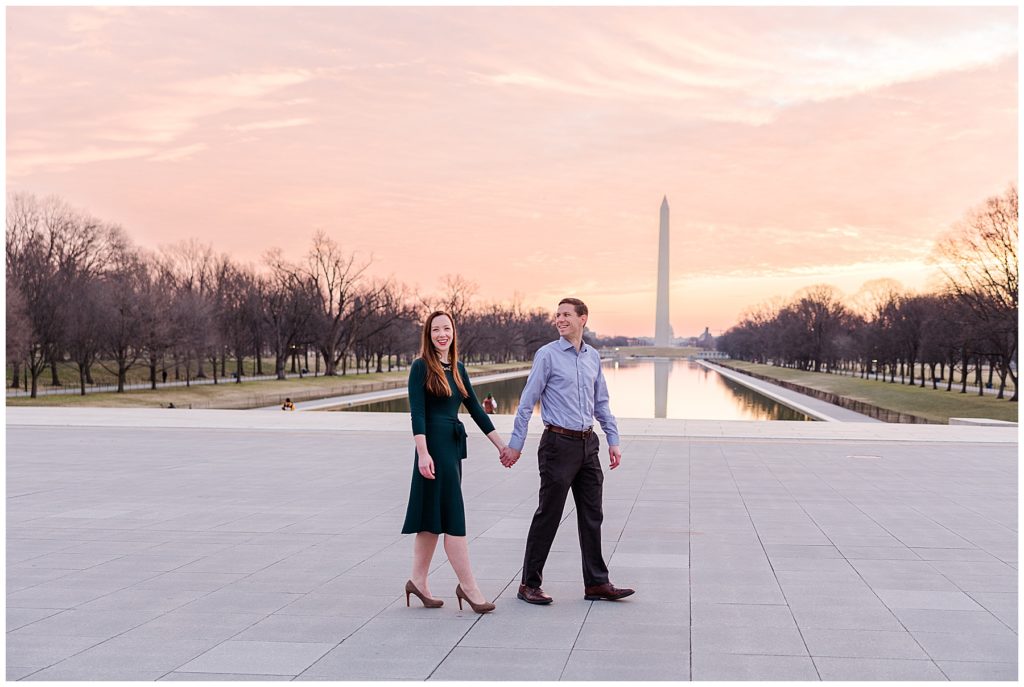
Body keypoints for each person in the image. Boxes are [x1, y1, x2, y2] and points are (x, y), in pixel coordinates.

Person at [500, 298, 634, 604]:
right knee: (549, 514)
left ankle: (597, 583)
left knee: (592, 515)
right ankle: (529, 584)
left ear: (582, 319)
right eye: (557, 315)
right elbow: (526, 402)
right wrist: (515, 446)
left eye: (566, 315)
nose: (559, 319)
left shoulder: (593, 357)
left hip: (589, 445)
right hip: (558, 445)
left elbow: (602, 403)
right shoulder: (546, 356)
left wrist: (613, 440)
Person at [402, 311, 507, 614]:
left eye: (446, 328)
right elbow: (417, 412)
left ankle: (417, 581)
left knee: (432, 518)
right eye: (436, 330)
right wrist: (423, 452)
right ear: (428, 334)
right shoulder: (421, 367)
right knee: (453, 517)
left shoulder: (458, 368)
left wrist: (501, 446)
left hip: (451, 448)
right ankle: (469, 587)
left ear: (453, 332)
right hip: (433, 448)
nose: (441, 334)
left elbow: (475, 408)